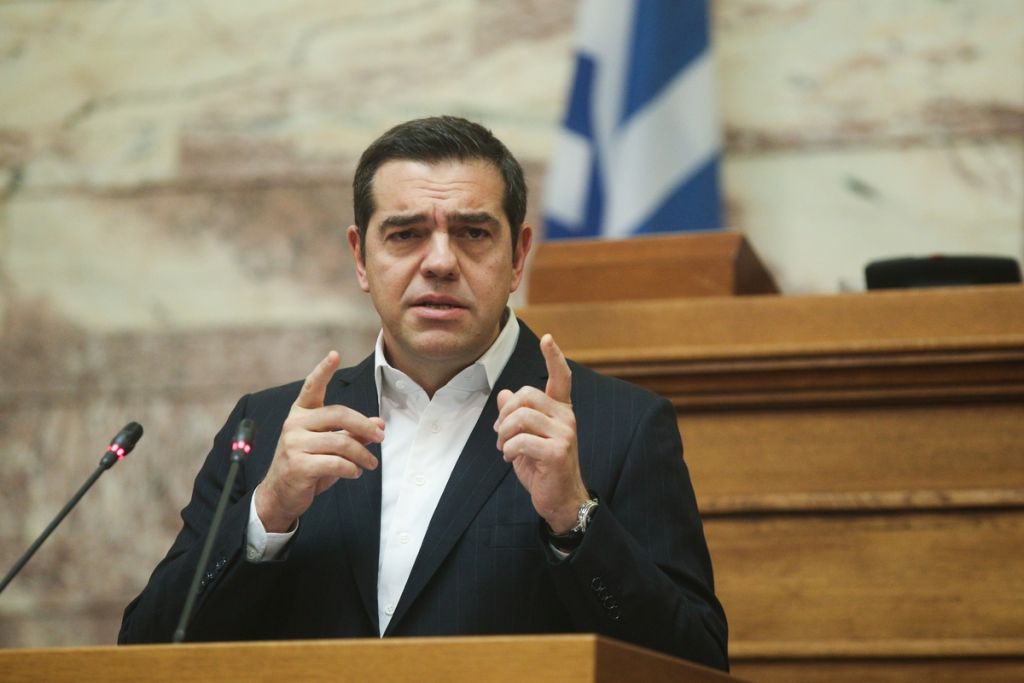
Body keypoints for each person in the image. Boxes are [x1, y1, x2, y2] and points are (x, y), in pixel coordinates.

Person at [118, 116, 728, 670]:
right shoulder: (269, 425)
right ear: (361, 258)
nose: (440, 262)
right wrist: (268, 513)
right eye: (406, 234)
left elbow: (695, 662)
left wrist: (574, 518)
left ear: (518, 256)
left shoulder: (621, 425)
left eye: (473, 233)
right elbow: (146, 651)